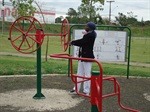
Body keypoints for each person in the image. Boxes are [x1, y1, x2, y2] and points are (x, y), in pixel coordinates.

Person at [69, 22, 97, 95]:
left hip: (87, 56)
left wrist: (72, 42)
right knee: (79, 73)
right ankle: (76, 89)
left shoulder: (90, 35)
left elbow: (82, 42)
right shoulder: (89, 34)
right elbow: (82, 41)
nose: (85, 27)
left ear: (90, 28)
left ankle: (86, 91)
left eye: (87, 26)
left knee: (87, 74)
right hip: (83, 56)